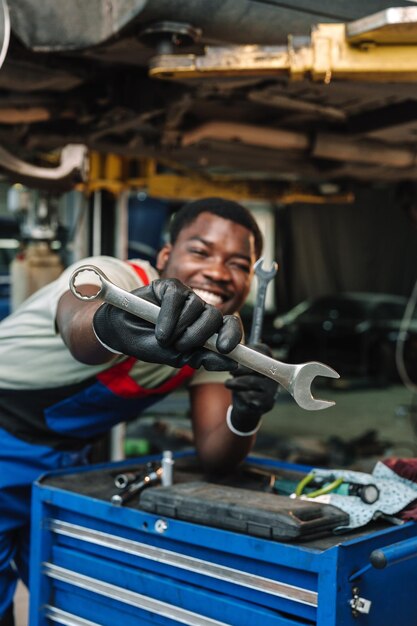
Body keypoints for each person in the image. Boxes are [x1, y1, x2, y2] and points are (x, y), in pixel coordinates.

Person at [0, 196, 278, 625]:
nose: (219, 273)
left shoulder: (212, 345)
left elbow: (215, 452)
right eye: (200, 251)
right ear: (166, 256)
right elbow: (78, 325)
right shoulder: (112, 274)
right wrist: (113, 320)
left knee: (64, 596)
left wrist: (247, 410)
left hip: (58, 464)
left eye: (239, 264)